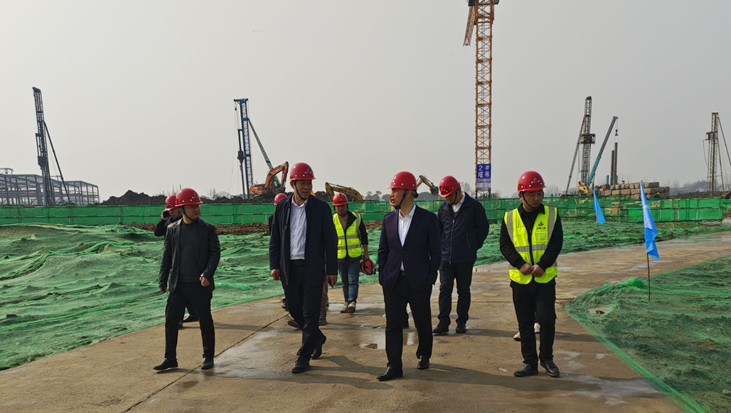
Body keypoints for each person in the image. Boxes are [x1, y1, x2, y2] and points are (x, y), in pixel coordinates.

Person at [269, 162, 338, 374]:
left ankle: (303, 356)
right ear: (293, 184)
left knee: (310, 313)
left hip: (313, 268)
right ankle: (317, 337)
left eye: (309, 183)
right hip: (289, 268)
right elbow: (275, 239)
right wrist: (274, 265)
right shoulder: (282, 207)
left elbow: (331, 241)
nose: (307, 187)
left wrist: (331, 270)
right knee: (293, 308)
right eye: (303, 183)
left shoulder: (321, 208)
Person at [376, 171, 441, 381]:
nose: (392, 194)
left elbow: (436, 252)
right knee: (393, 325)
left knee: (422, 321)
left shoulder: (428, 219)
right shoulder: (388, 220)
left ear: (409, 192)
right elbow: (383, 251)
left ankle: (424, 354)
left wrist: (429, 277)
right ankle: (394, 365)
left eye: (395, 190)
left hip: (418, 281)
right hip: (393, 281)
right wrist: (383, 275)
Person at [500, 171, 563, 378]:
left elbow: (556, 243)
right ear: (521, 195)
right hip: (520, 280)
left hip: (544, 279)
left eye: (539, 193)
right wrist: (520, 264)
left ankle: (547, 359)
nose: (537, 198)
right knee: (525, 323)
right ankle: (530, 363)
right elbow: (505, 245)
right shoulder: (509, 218)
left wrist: (543, 265)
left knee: (547, 320)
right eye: (532, 194)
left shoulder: (552, 215)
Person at [154, 188, 221, 371]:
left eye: (197, 206)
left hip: (200, 285)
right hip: (178, 285)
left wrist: (207, 274)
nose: (196, 210)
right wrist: (162, 280)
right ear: (181, 209)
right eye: (192, 207)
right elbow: (167, 257)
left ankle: (208, 356)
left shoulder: (208, 230)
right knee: (171, 321)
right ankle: (170, 358)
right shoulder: (172, 230)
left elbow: (215, 254)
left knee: (205, 321)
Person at [433, 176, 489, 335]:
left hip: (465, 258)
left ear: (458, 191)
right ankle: (443, 322)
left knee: (463, 290)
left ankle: (461, 322)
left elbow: (483, 229)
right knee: (445, 290)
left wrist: (472, 246)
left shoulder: (474, 207)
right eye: (445, 196)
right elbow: (439, 230)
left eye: (450, 195)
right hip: (446, 258)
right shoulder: (443, 209)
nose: (448, 199)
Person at [154, 194, 197, 327]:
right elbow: (157, 232)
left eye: (173, 209)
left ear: (180, 209)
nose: (171, 212)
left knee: (181, 291)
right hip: (172, 259)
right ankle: (189, 314)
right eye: (169, 210)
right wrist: (162, 220)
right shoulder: (169, 222)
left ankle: (179, 318)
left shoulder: (185, 222)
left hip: (184, 261)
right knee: (180, 291)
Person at [332, 192, 370, 314]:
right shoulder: (332, 220)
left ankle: (352, 301)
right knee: (344, 282)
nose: (340, 208)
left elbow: (364, 236)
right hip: (340, 256)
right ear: (334, 207)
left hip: (354, 255)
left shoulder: (356, 218)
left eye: (342, 206)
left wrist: (366, 253)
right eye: (338, 206)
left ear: (347, 206)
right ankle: (346, 301)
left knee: (353, 280)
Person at [269, 193, 289, 311]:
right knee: (285, 280)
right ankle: (288, 298)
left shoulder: (291, 217)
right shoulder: (272, 219)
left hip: (290, 254)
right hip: (281, 255)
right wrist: (274, 265)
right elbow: (274, 241)